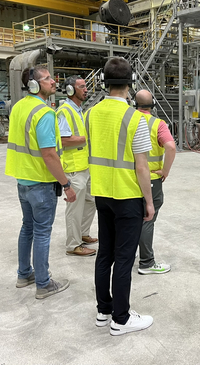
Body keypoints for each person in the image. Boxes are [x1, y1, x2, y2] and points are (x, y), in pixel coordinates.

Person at [85, 57, 155, 336]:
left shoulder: (89, 114)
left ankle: (104, 311)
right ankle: (121, 319)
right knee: (125, 259)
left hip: (102, 193)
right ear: (130, 83)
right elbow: (141, 166)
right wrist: (149, 202)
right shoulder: (135, 118)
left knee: (105, 255)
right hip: (127, 196)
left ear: (104, 82)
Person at [5, 65, 76, 299]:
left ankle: (24, 274)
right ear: (34, 85)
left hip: (22, 179)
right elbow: (49, 154)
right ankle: (44, 284)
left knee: (28, 227)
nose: (54, 82)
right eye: (47, 79)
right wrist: (66, 184)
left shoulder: (18, 107)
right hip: (41, 182)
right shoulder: (44, 113)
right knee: (42, 232)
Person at [135, 89, 176, 275]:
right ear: (153, 104)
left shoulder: (127, 120)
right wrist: (165, 170)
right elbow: (171, 147)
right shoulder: (157, 124)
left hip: (127, 178)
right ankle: (146, 262)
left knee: (129, 218)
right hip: (151, 178)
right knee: (147, 219)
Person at [57, 75, 97, 257]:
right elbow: (64, 140)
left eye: (85, 86)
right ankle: (73, 245)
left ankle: (82, 233)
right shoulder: (65, 111)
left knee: (91, 201)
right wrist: (87, 138)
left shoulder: (79, 110)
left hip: (85, 166)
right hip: (73, 168)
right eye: (82, 87)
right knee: (74, 208)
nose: (86, 89)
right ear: (71, 90)